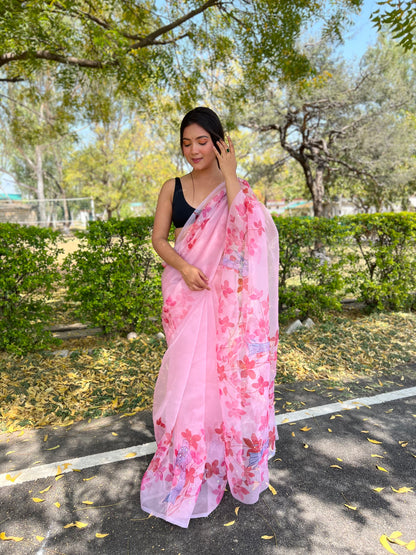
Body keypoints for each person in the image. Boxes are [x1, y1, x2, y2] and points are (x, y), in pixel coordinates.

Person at [140, 107, 279, 528]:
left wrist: (231, 172)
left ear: (219, 142)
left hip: (224, 303)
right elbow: (159, 239)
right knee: (186, 378)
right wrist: (183, 267)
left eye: (202, 141)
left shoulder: (232, 186)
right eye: (186, 143)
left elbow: (252, 232)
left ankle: (222, 461)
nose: (193, 150)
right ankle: (188, 461)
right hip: (185, 295)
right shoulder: (173, 187)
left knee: (222, 379)